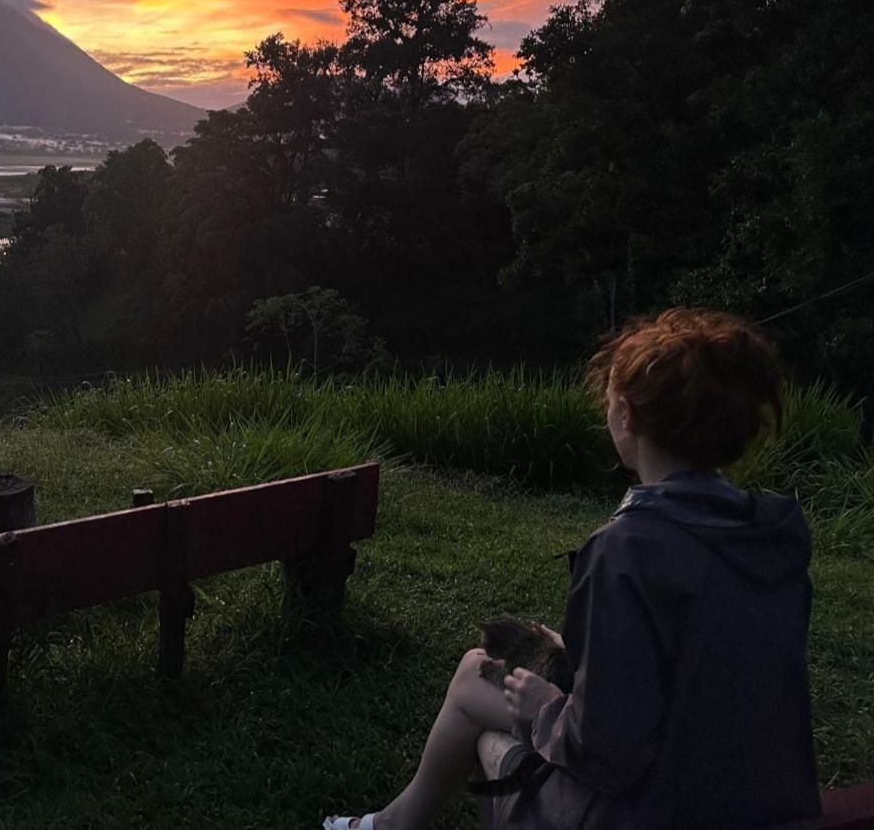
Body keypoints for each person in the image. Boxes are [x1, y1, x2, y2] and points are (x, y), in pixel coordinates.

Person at [323, 308, 820, 830]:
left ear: (626, 415)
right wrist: (579, 654)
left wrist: (544, 708)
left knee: (491, 737)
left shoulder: (627, 551)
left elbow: (608, 753)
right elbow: (704, 665)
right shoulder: (771, 537)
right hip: (767, 805)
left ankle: (393, 826)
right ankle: (389, 825)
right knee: (478, 669)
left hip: (660, 808)